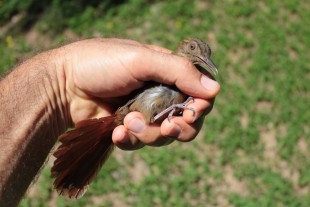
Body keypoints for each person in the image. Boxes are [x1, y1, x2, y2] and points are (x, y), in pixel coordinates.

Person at [0, 38, 220, 206]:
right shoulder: (171, 66)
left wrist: (63, 83)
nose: (198, 55)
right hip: (136, 108)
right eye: (193, 48)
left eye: (203, 54)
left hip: (138, 110)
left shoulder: (186, 75)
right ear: (181, 47)